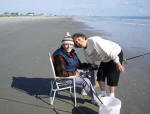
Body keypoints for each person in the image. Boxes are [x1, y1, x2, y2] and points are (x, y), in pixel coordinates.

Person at [52, 32, 100, 105]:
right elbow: (61, 73)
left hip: (71, 71)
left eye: (71, 44)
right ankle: (96, 99)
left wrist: (90, 65)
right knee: (86, 81)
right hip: (65, 77)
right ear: (62, 44)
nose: (69, 46)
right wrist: (74, 73)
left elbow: (79, 65)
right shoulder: (60, 56)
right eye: (66, 44)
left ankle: (87, 90)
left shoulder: (71, 52)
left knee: (90, 70)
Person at [72, 33, 125, 98]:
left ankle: (112, 96)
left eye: (79, 39)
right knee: (100, 75)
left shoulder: (94, 41)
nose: (79, 42)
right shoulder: (85, 51)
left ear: (83, 37)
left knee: (112, 76)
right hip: (105, 59)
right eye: (76, 42)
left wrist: (118, 63)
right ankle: (103, 94)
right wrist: (93, 65)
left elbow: (111, 52)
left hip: (115, 53)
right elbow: (90, 60)